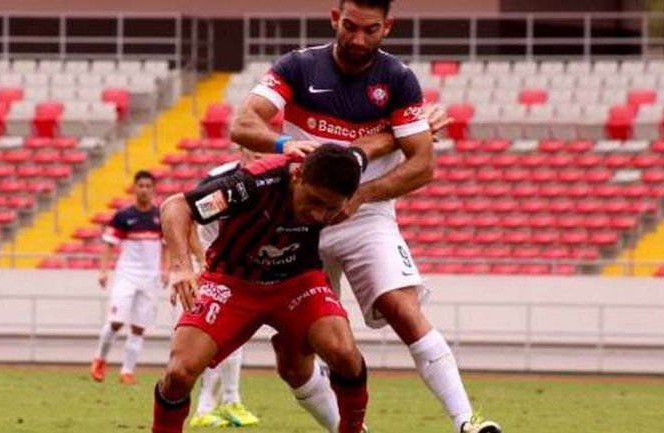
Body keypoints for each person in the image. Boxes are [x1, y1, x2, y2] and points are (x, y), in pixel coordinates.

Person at [229, 0, 501, 432]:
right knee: (294, 359)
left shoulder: (397, 79)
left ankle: (467, 422)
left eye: (369, 30)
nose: (358, 39)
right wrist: (285, 146)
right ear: (335, 19)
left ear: (387, 27)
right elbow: (243, 123)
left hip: (364, 214)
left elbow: (423, 165)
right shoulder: (299, 66)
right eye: (350, 27)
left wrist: (360, 196)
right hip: (302, 219)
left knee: (403, 308)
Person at [153, 144, 377, 433]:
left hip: (298, 282)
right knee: (178, 374)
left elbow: (364, 149)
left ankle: (352, 429)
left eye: (331, 209)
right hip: (232, 283)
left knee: (344, 353)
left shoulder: (348, 166)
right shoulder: (251, 186)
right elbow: (177, 206)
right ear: (299, 176)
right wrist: (181, 267)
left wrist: (414, 130)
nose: (320, 215)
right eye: (315, 201)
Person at [187, 148, 261, 428]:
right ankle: (226, 401)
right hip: (213, 263)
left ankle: (210, 406)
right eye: (253, 149)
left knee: (226, 334)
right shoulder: (223, 180)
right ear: (241, 149)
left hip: (236, 263)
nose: (259, 155)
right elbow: (190, 216)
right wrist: (198, 260)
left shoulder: (269, 178)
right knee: (222, 333)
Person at [91, 170, 167, 385]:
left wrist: (165, 269)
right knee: (116, 321)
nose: (144, 190)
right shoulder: (123, 216)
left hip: (150, 277)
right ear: (135, 188)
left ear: (153, 189)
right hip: (127, 275)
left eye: (148, 186)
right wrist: (104, 271)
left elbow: (166, 245)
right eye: (140, 186)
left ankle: (127, 371)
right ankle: (99, 358)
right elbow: (108, 244)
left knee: (139, 327)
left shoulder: (159, 216)